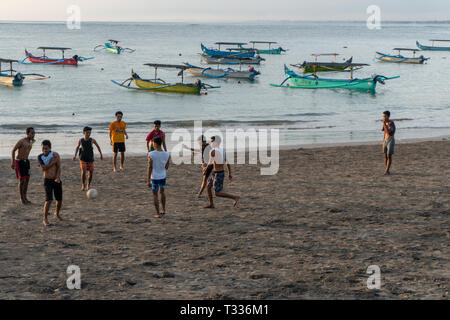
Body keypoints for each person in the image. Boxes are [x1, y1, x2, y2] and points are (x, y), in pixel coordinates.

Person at [205, 136, 239, 208]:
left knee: (217, 193)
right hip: (217, 173)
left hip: (218, 174)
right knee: (208, 186)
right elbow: (227, 163)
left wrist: (205, 170)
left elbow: (210, 163)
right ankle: (211, 204)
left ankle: (234, 197)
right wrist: (229, 173)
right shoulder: (222, 151)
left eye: (212, 141)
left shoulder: (213, 151)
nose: (210, 143)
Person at [38, 140, 62, 226]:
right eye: (43, 148)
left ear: (50, 148)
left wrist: (58, 177)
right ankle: (45, 218)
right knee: (49, 199)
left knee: (59, 200)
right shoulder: (40, 157)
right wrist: (52, 162)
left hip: (56, 180)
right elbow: (44, 168)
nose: (44, 150)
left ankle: (57, 213)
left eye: (46, 148)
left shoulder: (55, 155)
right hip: (47, 180)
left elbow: (59, 167)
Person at [73, 126, 103, 190]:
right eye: (87, 133)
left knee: (91, 173)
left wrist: (101, 154)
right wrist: (75, 155)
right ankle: (83, 185)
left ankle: (88, 185)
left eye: (90, 133)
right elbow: (77, 147)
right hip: (82, 158)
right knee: (83, 171)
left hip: (90, 158)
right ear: (84, 132)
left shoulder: (92, 140)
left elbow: (98, 146)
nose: (89, 134)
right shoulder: (81, 140)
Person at [147, 137, 170, 218]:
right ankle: (163, 209)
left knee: (155, 195)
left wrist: (148, 180)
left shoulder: (151, 154)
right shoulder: (167, 154)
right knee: (162, 192)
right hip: (163, 176)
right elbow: (166, 167)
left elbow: (150, 167)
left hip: (154, 177)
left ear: (155, 143)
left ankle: (157, 213)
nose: (152, 144)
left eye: (153, 143)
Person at [11, 127, 35, 204]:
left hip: (26, 162)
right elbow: (13, 150)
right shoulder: (21, 141)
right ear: (27, 133)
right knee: (22, 181)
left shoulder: (32, 141)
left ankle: (25, 197)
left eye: (34, 133)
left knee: (27, 180)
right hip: (19, 161)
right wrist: (13, 162)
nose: (33, 134)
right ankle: (21, 198)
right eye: (32, 133)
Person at [381, 110, 396, 175]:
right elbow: (383, 131)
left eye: (385, 116)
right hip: (385, 140)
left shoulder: (391, 123)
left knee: (389, 155)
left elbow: (389, 133)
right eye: (383, 116)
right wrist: (383, 140)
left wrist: (384, 124)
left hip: (390, 140)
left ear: (388, 116)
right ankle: (387, 169)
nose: (383, 117)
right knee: (385, 156)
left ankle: (387, 170)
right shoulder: (385, 122)